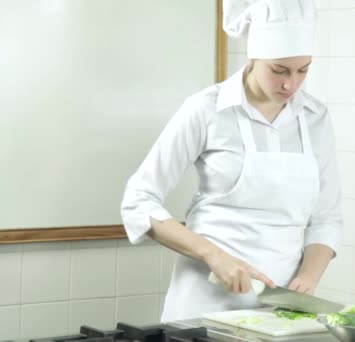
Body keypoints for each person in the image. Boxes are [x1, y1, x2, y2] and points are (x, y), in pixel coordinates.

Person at [120, 0, 342, 322]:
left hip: (280, 312)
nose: (290, 84)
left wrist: (307, 280)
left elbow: (327, 218)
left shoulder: (315, 118)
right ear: (254, 58)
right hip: (203, 305)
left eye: (302, 70)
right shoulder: (206, 109)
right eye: (279, 70)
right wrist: (215, 256)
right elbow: (138, 202)